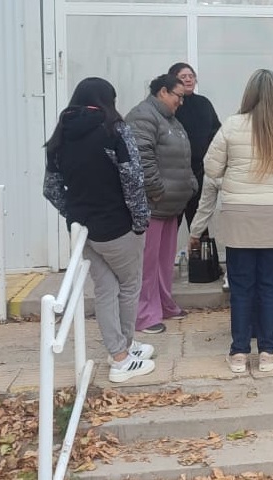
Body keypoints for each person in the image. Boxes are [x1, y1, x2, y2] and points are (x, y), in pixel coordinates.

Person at [193, 69, 273, 373]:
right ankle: (268, 352)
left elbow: (211, 168)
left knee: (241, 286)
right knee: (271, 285)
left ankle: (239, 353)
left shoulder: (232, 125)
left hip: (239, 215)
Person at [44, 78, 155, 383]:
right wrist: (140, 220)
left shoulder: (60, 135)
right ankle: (122, 356)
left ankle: (118, 349)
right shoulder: (114, 130)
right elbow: (133, 179)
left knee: (105, 289)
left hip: (82, 230)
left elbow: (51, 189)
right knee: (129, 286)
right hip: (118, 226)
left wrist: (74, 213)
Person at [126, 74, 198, 334]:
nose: (181, 102)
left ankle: (164, 304)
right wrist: (156, 191)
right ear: (163, 92)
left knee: (164, 261)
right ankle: (144, 315)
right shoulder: (143, 117)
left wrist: (190, 183)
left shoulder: (171, 119)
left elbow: (183, 157)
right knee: (147, 263)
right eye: (178, 96)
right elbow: (141, 158)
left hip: (170, 205)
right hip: (153, 205)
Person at [170, 63, 221, 235]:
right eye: (183, 76)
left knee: (199, 225)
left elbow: (217, 133)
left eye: (191, 76)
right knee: (171, 225)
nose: (188, 79)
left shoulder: (204, 103)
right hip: (175, 175)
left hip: (200, 172)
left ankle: (199, 253)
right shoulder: (170, 106)